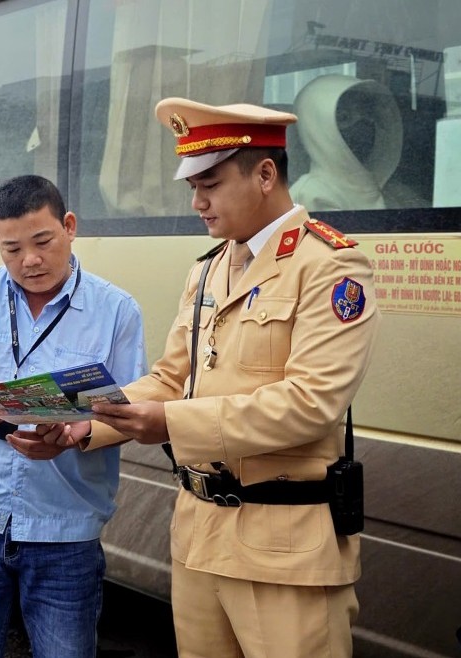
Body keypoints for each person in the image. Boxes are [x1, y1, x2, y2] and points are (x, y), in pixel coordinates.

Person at [90, 98, 381, 658]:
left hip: (284, 552)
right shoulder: (208, 269)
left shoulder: (332, 266)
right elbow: (170, 379)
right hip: (200, 541)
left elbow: (310, 403)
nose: (197, 202)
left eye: (211, 184)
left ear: (265, 174)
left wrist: (168, 423)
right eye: (193, 187)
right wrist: (81, 422)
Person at [0, 175, 146, 658]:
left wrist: (75, 433)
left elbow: (127, 411)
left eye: (42, 242)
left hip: (65, 531)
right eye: (12, 249)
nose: (30, 261)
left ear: (69, 226)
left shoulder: (116, 310)